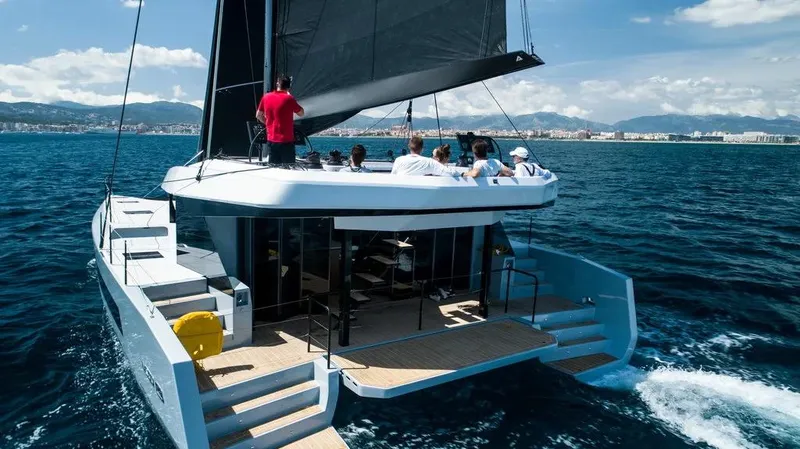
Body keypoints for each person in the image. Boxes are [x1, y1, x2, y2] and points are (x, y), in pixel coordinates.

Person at [255, 75, 304, 165]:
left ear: (277, 84)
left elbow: (258, 115)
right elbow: (301, 113)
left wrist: (268, 123)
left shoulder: (266, 97)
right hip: (287, 141)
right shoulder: (289, 98)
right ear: (289, 87)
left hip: (271, 140)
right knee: (289, 168)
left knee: (274, 168)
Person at [391, 136, 458, 176]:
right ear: (422, 149)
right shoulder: (429, 162)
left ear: (409, 146)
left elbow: (392, 177)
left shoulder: (398, 160)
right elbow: (450, 173)